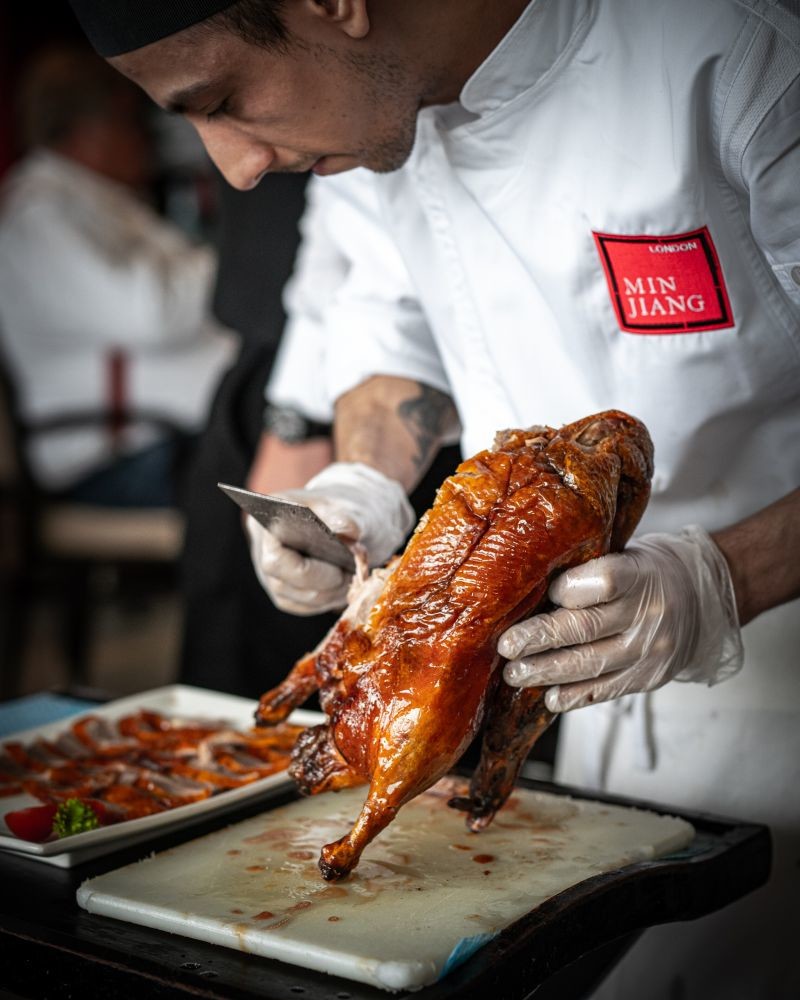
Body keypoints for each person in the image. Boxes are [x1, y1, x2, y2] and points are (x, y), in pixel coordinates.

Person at [66, 1, 799, 997]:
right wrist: (358, 485)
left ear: (335, 5)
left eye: (224, 98)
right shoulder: (365, 127)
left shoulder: (741, 61)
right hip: (579, 690)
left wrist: (721, 577)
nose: (233, 169)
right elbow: (385, 351)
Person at [0, 44, 237, 506]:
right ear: (87, 130)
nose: (144, 139)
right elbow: (152, 313)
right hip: (120, 454)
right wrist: (232, 260)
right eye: (131, 120)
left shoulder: (94, 200)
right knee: (273, 472)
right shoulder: (40, 213)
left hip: (172, 434)